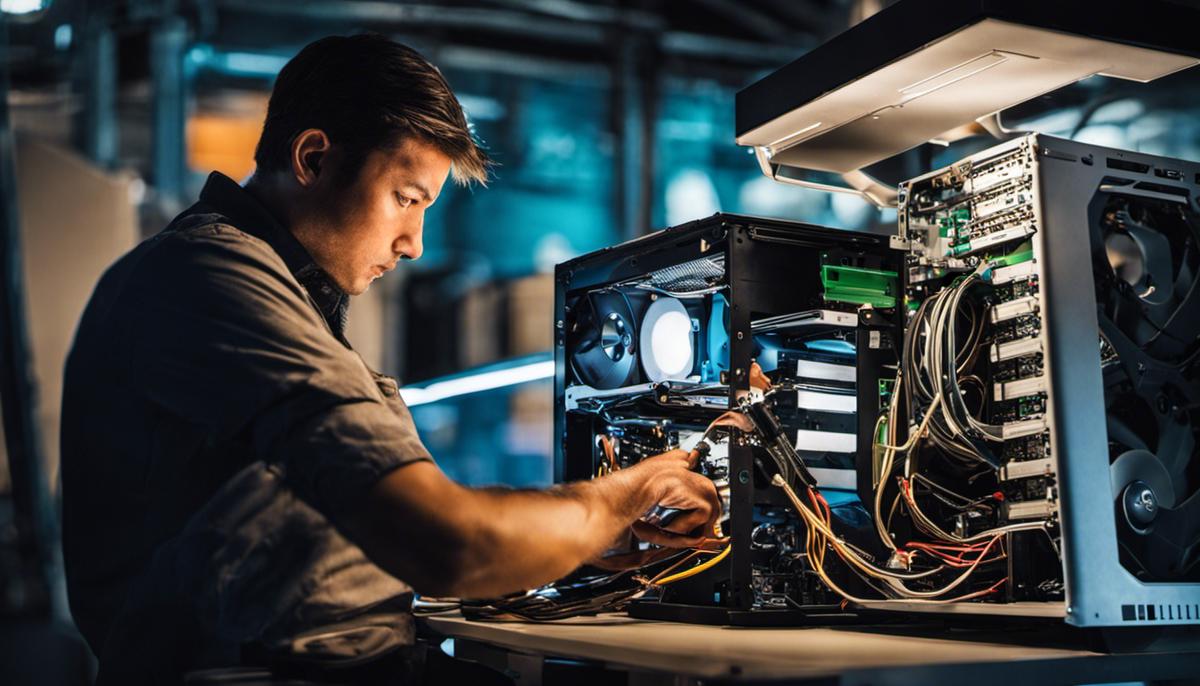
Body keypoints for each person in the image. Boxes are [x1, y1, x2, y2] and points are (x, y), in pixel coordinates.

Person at [59, 33, 720, 684]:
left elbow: (356, 537)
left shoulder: (277, 291)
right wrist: (617, 497)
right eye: (407, 198)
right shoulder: (212, 278)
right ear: (314, 158)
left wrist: (576, 540)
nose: (415, 245)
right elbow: (446, 541)